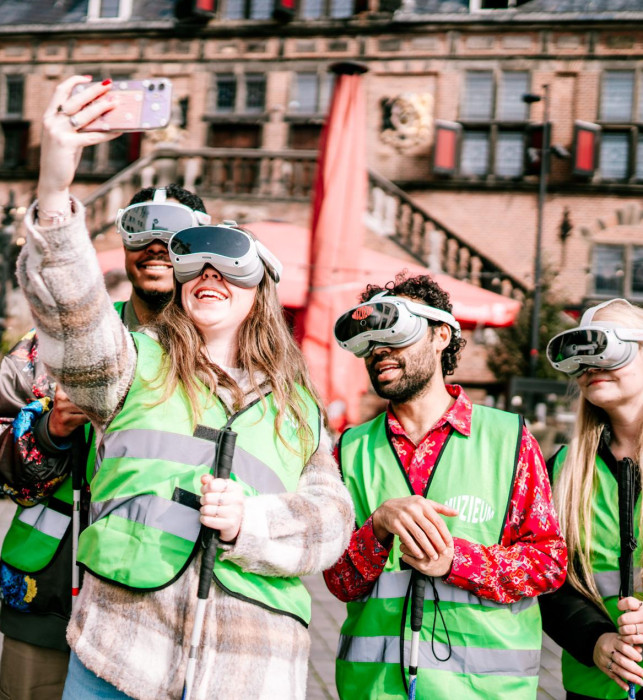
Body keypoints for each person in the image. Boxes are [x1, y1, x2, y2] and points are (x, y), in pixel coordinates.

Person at [16, 74, 353, 700]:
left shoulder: (296, 404)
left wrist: (254, 520)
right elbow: (73, 314)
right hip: (119, 653)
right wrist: (56, 188)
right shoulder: (128, 363)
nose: (208, 275)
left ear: (261, 293)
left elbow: (332, 522)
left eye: (231, 267)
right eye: (192, 265)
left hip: (249, 670)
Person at [0, 167, 210, 697]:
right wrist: (46, 432)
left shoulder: (222, 359)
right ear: (122, 244)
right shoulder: (51, 346)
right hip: (47, 603)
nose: (156, 248)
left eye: (174, 237)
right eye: (140, 233)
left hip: (166, 608)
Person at [324, 274, 568, 699]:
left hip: (485, 692)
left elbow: (548, 563)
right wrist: (378, 528)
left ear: (440, 335)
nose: (379, 349)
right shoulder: (348, 450)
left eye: (395, 331)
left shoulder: (508, 439)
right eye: (369, 340)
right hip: (373, 689)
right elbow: (339, 581)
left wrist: (455, 560)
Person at [540, 298, 643, 700]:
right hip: (592, 688)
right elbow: (548, 580)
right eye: (579, 357)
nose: (590, 367)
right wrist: (595, 640)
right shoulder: (562, 469)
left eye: (606, 349)